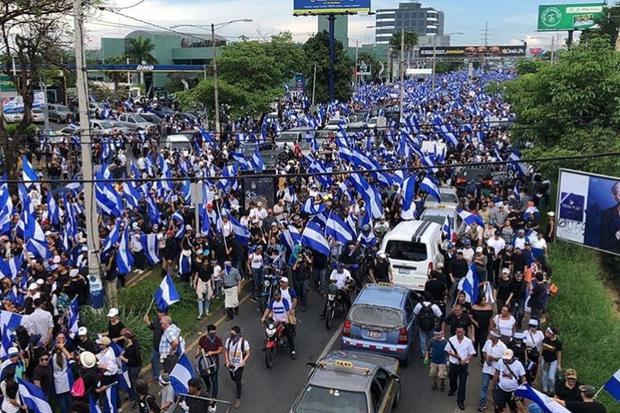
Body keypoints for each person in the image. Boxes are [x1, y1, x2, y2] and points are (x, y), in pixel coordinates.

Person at [444, 326, 476, 411]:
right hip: (453, 363)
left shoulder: (468, 341)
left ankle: (460, 401)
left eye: (461, 332)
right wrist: (454, 355)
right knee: (452, 378)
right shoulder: (451, 340)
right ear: (455, 332)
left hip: (463, 365)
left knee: (462, 383)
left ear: (464, 332)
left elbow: (471, 353)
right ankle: (453, 388)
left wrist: (465, 360)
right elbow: (447, 350)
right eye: (458, 332)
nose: (459, 334)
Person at [261, 289, 296, 359]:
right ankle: (269, 342)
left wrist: (286, 319)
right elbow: (268, 309)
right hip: (275, 322)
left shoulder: (284, 301)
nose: (275, 296)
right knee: (268, 331)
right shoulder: (272, 301)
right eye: (274, 295)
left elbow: (288, 310)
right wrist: (263, 317)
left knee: (288, 335)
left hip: (283, 322)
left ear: (280, 295)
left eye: (276, 295)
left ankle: (293, 351)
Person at [478, 330, 507, 412]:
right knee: (484, 386)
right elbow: (484, 351)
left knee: (496, 387)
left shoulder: (503, 347)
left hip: (496, 371)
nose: (490, 336)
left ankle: (496, 402)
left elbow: (504, 359)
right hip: (486, 368)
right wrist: (486, 358)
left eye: (491, 335)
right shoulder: (488, 342)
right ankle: (482, 404)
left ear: (496, 337)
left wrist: (493, 358)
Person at [197, 324, 224, 412]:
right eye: (211, 333)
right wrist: (197, 355)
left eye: (214, 332)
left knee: (215, 380)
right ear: (208, 332)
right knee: (205, 376)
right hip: (205, 362)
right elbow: (199, 347)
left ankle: (214, 398)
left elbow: (220, 350)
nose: (213, 334)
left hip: (214, 362)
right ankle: (208, 388)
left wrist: (213, 352)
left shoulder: (218, 339)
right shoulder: (203, 339)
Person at [224, 326, 250, 410]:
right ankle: (238, 380)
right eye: (231, 334)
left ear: (238, 334)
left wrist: (243, 361)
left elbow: (248, 353)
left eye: (233, 334)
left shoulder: (244, 343)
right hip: (231, 364)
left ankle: (238, 398)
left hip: (239, 366)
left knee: (238, 382)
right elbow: (226, 351)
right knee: (233, 378)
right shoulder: (228, 341)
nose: (231, 336)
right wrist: (227, 360)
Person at [492, 349, 526, 413]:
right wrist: (493, 386)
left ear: (512, 357)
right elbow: (496, 373)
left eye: (508, 358)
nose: (506, 360)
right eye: (505, 358)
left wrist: (522, 390)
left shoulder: (518, 364)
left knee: (514, 409)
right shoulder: (500, 361)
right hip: (501, 389)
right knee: (498, 407)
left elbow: (523, 377)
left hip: (513, 391)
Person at [413, 293, 443, 358]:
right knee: (431, 338)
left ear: (424, 298)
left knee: (422, 339)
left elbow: (415, 314)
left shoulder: (419, 305)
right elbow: (440, 316)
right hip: (431, 326)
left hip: (421, 325)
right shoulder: (434, 306)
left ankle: (423, 353)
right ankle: (430, 352)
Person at [120, 328, 143, 407]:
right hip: (138, 365)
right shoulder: (134, 342)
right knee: (135, 382)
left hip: (133, 367)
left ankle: (137, 401)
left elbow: (130, 361)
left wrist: (122, 358)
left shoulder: (130, 348)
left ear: (126, 337)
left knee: (134, 384)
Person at [144, 309, 166, 381]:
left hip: (164, 348)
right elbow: (152, 327)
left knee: (166, 362)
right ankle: (156, 376)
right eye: (158, 312)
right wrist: (147, 321)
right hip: (156, 347)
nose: (159, 314)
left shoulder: (167, 322)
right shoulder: (157, 320)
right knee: (153, 360)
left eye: (161, 312)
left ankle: (167, 376)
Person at [599, 181, 620, 253]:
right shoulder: (607, 214)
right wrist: (617, 236)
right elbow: (603, 244)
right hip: (611, 257)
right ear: (616, 196)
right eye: (617, 194)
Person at [541, 326, 562, 396]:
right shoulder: (545, 339)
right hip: (545, 359)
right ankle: (545, 390)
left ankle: (552, 390)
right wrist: (540, 356)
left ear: (552, 334)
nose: (546, 333)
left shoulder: (558, 342)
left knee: (551, 377)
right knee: (544, 375)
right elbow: (542, 348)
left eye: (548, 332)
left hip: (553, 361)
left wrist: (559, 364)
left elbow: (559, 353)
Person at [471, 294, 494, 359]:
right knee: (476, 340)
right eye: (482, 300)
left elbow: (490, 318)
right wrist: (475, 322)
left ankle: (482, 358)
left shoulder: (489, 308)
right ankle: (474, 352)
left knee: (482, 342)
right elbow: (470, 317)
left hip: (484, 328)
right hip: (476, 328)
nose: (484, 301)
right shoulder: (474, 307)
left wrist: (490, 327)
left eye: (485, 300)